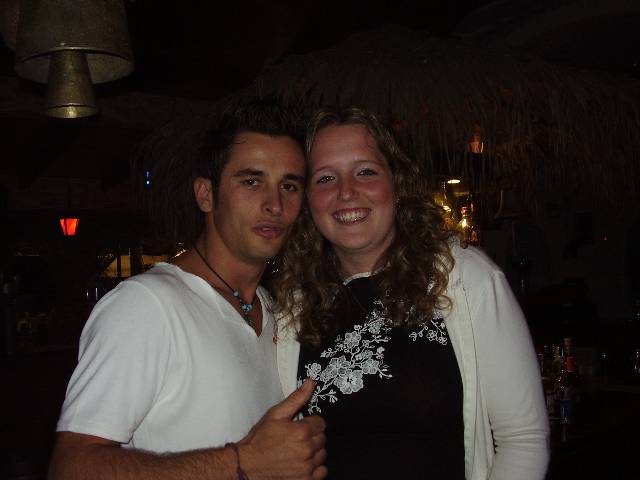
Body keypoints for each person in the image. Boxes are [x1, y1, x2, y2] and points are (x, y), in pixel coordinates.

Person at [49, 99, 327, 480]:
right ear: (206, 194)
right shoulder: (145, 306)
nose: (274, 204)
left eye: (289, 186)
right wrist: (241, 462)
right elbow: (70, 467)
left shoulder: (277, 313)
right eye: (251, 181)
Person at [271, 106, 550, 479]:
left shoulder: (464, 278)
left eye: (365, 172)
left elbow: (523, 440)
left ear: (397, 183)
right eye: (325, 178)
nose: (346, 191)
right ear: (308, 200)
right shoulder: (293, 305)